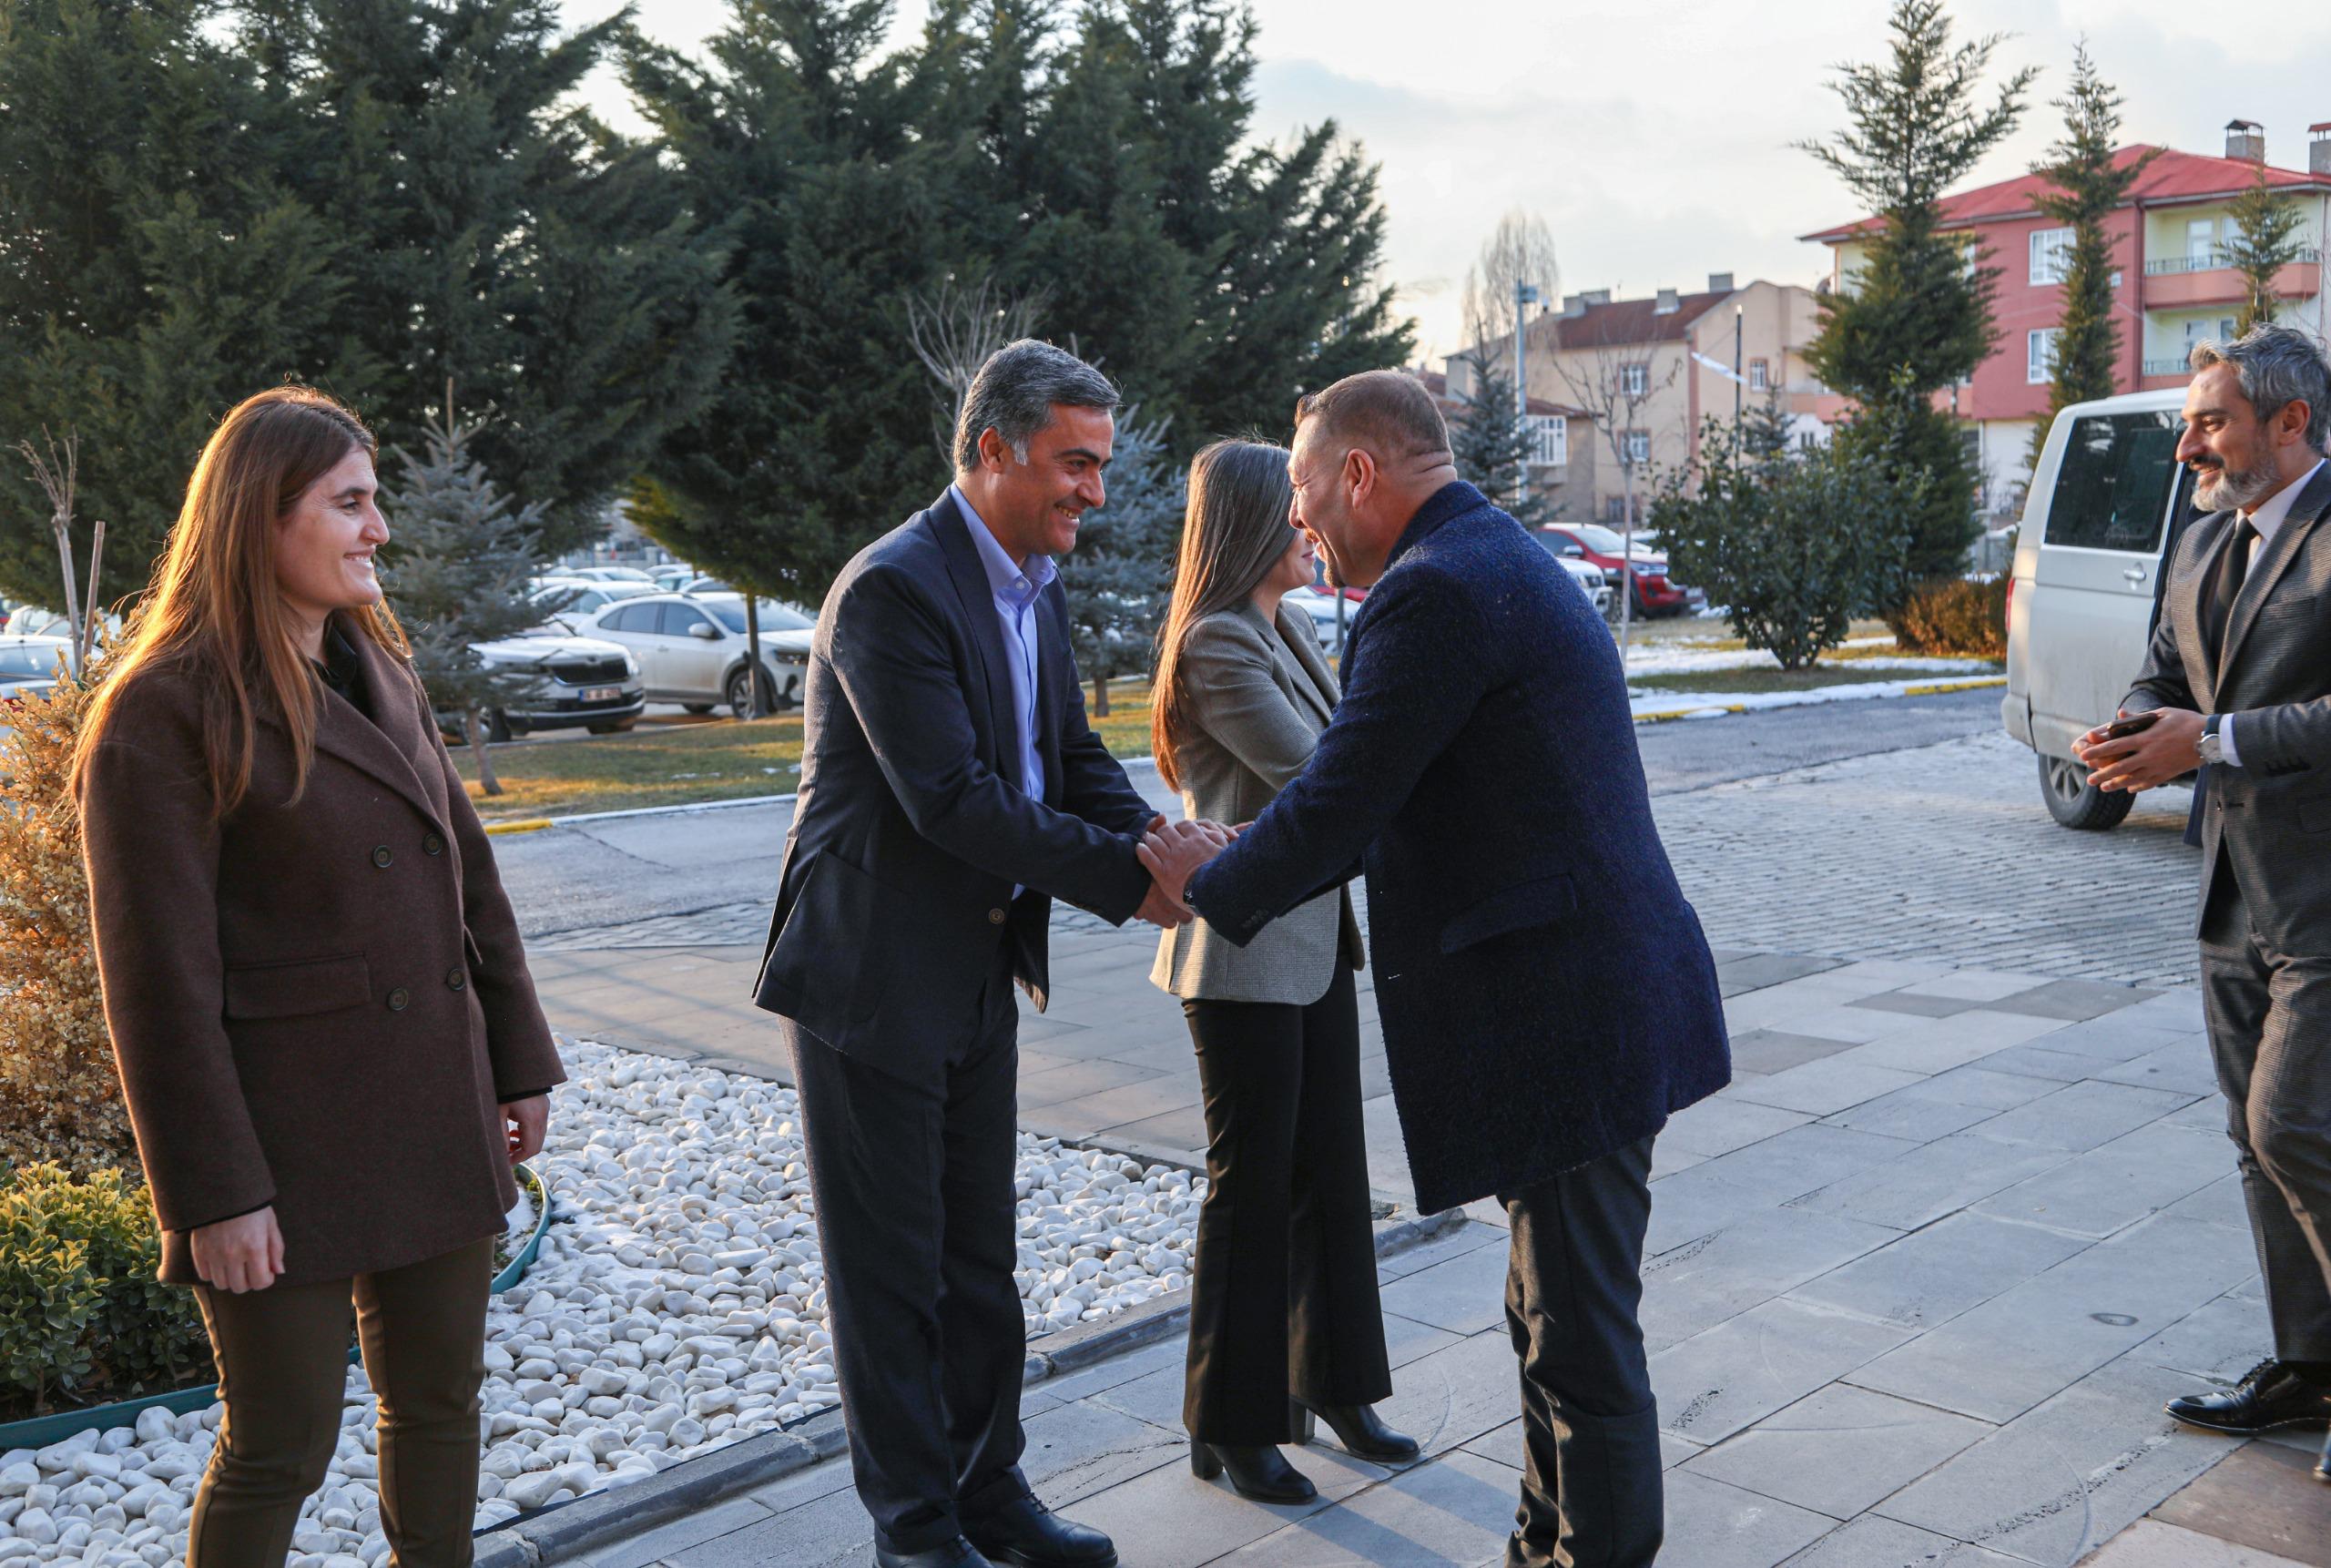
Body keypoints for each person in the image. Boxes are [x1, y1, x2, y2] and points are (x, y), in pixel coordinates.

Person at [1137, 370, 1730, 1568]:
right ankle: (1544, 1543)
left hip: (1562, 1013)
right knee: (1547, 1315)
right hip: (1589, 997)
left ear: (1358, 471)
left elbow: (1342, 803)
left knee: (1578, 1339)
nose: (1298, 517)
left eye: (1305, 486)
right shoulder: (1490, 556)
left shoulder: (1436, 591)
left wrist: (1203, 879)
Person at [73, 386, 565, 1568]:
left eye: (374, 498)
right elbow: (158, 984)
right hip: (280, 1153)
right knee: (280, 1444)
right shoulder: (161, 712)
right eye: (349, 501)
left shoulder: (375, 663)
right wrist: (214, 1191)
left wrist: (517, 1058)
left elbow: (470, 875)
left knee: (438, 1403)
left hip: (431, 1111)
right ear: (259, 518)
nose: (378, 528)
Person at [752, 340, 1192, 1568]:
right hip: (870, 977)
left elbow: (1066, 756)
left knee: (979, 1263)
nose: (1092, 492)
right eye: (1072, 463)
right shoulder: (892, 589)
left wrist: (1160, 839)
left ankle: (991, 1494)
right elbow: (951, 797)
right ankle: (917, 1531)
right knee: (892, 1277)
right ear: (990, 449)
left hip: (976, 965)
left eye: (1100, 465)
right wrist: (1133, 884)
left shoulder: (1029, 581)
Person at [2073, 323, 2331, 1484]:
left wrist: (2212, 740)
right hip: (2234, 886)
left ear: (2291, 423)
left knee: (2297, 1130)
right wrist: (2133, 733)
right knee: (2249, 1136)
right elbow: (2162, 672)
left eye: (2209, 421)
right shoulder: (2202, 539)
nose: (2186, 447)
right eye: (2188, 423)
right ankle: (2308, 1366)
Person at [1146, 441, 1414, 1504]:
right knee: (1249, 1189)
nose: (1311, 524)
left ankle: (1336, 1387)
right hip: (1241, 954)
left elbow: (1349, 753)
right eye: (1292, 507)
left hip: (1310, 941)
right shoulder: (1216, 645)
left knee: (1329, 1174)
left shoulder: (1285, 626)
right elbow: (1321, 774)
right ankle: (1231, 1422)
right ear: (1250, 523)